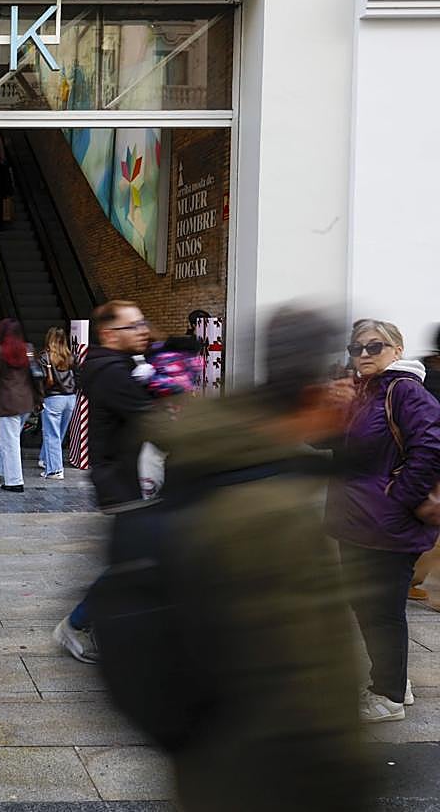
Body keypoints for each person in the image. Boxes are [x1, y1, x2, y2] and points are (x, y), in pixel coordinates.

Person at [131, 308, 374, 812]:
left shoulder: (223, 459)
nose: (351, 391)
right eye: (346, 377)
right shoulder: (270, 509)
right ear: (316, 390)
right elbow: (307, 679)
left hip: (212, 768)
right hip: (270, 781)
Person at [327, 319, 440, 722]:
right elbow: (328, 445)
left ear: (396, 349)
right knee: (368, 605)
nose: (363, 355)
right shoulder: (362, 391)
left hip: (385, 525)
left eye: (374, 347)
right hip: (358, 522)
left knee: (381, 609)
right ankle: (394, 679)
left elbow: (431, 449)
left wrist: (397, 499)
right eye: (356, 348)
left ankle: (388, 695)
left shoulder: (405, 391)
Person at [53, 301, 153, 663]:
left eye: (143, 323)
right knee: (134, 562)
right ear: (109, 334)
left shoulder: (118, 366)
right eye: (133, 326)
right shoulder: (112, 373)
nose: (142, 331)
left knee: (137, 560)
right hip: (124, 482)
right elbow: (152, 420)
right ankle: (78, 624)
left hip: (127, 478)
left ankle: (97, 622)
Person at [0, 319, 38, 492]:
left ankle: (14, 481)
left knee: (10, 442)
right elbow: (36, 375)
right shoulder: (28, 349)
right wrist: (39, 399)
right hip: (25, 402)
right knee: (6, 437)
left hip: (7, 403)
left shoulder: (0, 350)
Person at [36, 327, 78, 478]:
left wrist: (39, 399)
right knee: (59, 433)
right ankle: (45, 459)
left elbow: (39, 381)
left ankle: (55, 470)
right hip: (70, 399)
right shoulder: (71, 356)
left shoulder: (45, 357)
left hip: (53, 398)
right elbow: (78, 376)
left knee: (51, 434)